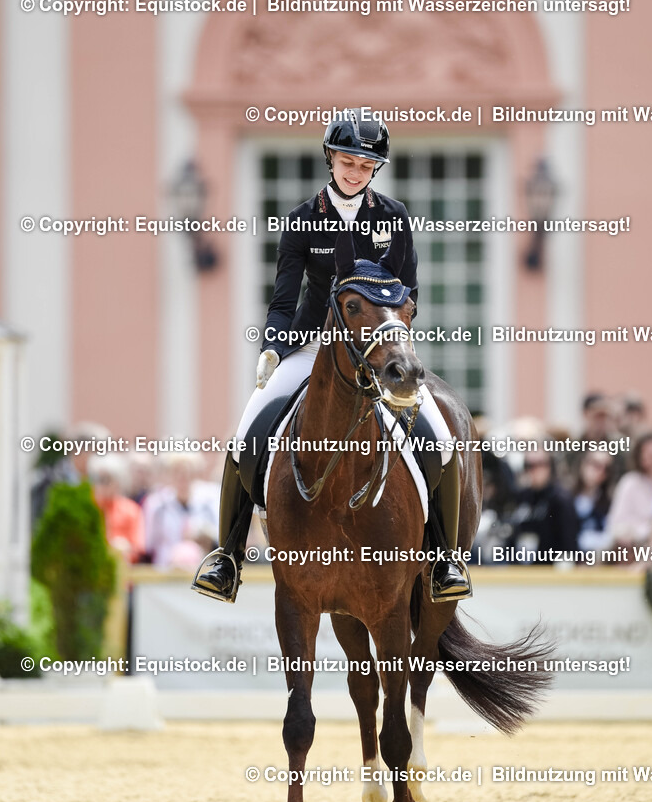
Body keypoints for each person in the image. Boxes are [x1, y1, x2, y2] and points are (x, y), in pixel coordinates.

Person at [195, 107, 470, 603]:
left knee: (441, 439)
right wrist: (273, 348)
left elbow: (409, 296)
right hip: (312, 344)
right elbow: (283, 300)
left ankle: (445, 560)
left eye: (365, 166)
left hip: (376, 350)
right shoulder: (302, 221)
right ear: (330, 158)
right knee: (246, 432)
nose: (355, 172)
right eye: (348, 161)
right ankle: (227, 556)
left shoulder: (394, 217)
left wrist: (391, 342)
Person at [607, 432, 652, 553]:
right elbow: (616, 526)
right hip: (635, 549)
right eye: (647, 452)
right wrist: (648, 533)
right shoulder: (630, 483)